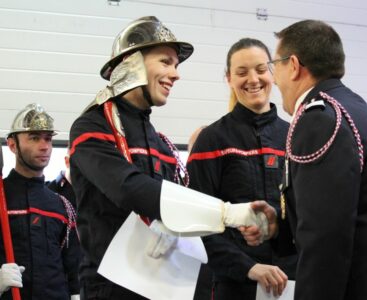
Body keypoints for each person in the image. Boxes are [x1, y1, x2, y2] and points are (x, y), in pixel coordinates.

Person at [241, 20, 367, 299]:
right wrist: (280, 228)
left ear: (295, 65)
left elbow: (325, 240)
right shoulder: (355, 109)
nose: (275, 79)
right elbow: (349, 208)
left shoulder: (319, 121)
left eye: (276, 65)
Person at [69, 16, 266, 300]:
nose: (176, 74)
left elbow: (185, 216)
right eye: (165, 62)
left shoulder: (160, 143)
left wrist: (244, 258)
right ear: (131, 63)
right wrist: (226, 213)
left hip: (161, 286)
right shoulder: (92, 126)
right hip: (111, 289)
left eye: (175, 65)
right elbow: (127, 187)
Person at [187, 38, 296, 300]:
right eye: (241, 72)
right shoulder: (211, 141)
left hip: (290, 280)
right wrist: (248, 268)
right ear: (228, 78)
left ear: (272, 72)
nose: (253, 79)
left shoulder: (295, 137)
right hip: (234, 285)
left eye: (260, 69)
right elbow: (195, 223)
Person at [0, 103, 80, 299]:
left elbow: (73, 269)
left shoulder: (62, 206)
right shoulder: (2, 198)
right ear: (12, 145)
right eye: (34, 138)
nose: (44, 146)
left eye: (48, 139)